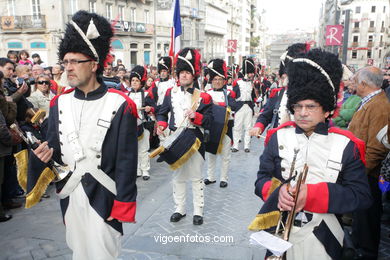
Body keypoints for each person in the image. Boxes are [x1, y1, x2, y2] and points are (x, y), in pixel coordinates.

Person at [28, 11, 138, 259]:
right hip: (70, 194)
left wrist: (123, 204)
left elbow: (126, 161)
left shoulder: (120, 104)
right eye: (65, 62)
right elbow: (54, 149)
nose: (68, 68)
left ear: (94, 64)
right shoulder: (58, 103)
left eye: (75, 61)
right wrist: (42, 156)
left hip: (105, 196)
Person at [252, 49, 372, 260]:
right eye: (297, 106)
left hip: (325, 240)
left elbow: (360, 196)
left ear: (327, 110)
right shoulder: (277, 138)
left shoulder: (347, 145)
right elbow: (261, 180)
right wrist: (277, 191)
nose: (302, 112)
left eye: (310, 106)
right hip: (279, 234)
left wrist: (311, 195)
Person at [156, 47, 213, 225]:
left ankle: (198, 211)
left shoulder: (203, 96)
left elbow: (210, 120)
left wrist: (197, 117)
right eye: (181, 72)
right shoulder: (169, 93)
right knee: (178, 177)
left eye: (188, 72)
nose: (184, 76)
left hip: (194, 139)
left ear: (193, 75)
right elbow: (162, 113)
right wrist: (161, 124)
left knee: (196, 177)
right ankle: (179, 209)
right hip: (176, 139)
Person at [348, 66, 390, 260]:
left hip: (368, 177)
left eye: (355, 80)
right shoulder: (371, 102)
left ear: (364, 84)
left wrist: (358, 174)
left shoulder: (380, 107)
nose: (352, 83)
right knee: (360, 221)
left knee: (367, 222)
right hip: (361, 174)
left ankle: (365, 254)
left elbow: (377, 148)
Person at [250, 43, 309, 137]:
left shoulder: (312, 96)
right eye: (283, 76)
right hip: (279, 144)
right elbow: (265, 115)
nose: (284, 79)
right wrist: (259, 126)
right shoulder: (278, 94)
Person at [204, 58, 237, 188]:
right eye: (215, 79)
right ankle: (211, 177)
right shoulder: (207, 94)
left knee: (225, 155)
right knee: (211, 154)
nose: (217, 82)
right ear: (211, 80)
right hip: (212, 127)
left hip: (226, 127)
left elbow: (233, 106)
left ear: (224, 81)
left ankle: (224, 178)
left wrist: (218, 105)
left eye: (219, 79)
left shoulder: (229, 93)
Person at [126, 65, 156, 180]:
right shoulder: (127, 95)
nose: (134, 83)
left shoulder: (147, 94)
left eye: (136, 81)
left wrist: (150, 109)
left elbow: (154, 108)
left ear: (141, 82)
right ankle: (137, 169)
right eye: (132, 80)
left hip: (143, 126)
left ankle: (145, 170)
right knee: (133, 150)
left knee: (143, 149)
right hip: (131, 127)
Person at [231, 57, 256, 153]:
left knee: (248, 127)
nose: (252, 74)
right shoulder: (237, 82)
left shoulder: (251, 83)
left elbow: (253, 96)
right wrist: (234, 108)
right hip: (239, 106)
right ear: (246, 72)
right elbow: (233, 96)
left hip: (248, 106)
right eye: (250, 72)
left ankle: (246, 145)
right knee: (237, 127)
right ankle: (236, 145)